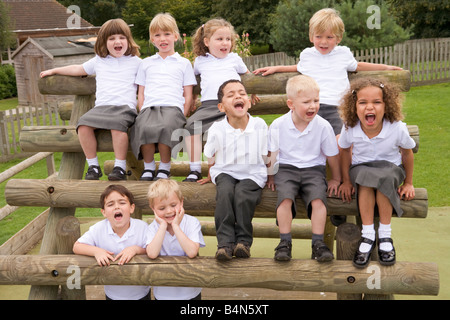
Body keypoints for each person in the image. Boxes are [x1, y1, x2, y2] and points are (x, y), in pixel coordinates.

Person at [254, 7, 402, 226]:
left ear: (338, 38)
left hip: (335, 108)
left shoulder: (343, 54)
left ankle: (340, 189)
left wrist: (386, 67)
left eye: (329, 37)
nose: (323, 41)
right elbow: (299, 67)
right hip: (310, 107)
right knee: (296, 139)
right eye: (318, 36)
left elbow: (358, 66)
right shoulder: (307, 54)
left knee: (338, 144)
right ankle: (289, 201)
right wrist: (276, 68)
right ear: (311, 36)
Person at [40, 19, 142, 181]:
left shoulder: (136, 63)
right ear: (103, 42)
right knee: (83, 126)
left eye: (122, 37)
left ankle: (119, 166)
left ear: (128, 41)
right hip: (101, 108)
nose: (117, 42)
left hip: (124, 108)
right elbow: (78, 69)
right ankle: (93, 166)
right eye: (111, 38)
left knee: (118, 128)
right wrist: (54, 70)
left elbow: (152, 77)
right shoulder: (99, 61)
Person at [338, 77, 415, 268]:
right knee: (365, 180)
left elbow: (407, 154)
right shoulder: (350, 127)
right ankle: (368, 235)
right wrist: (346, 181)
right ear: (354, 106)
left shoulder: (397, 128)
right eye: (363, 102)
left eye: (376, 102)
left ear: (386, 105)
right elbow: (345, 151)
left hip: (390, 169)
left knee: (384, 179)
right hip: (361, 169)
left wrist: (409, 183)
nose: (369, 107)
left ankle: (385, 236)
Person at [267, 75, 341, 262]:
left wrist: (336, 179)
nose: (312, 106)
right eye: (306, 102)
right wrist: (270, 176)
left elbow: (332, 156)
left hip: (313, 169)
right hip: (286, 169)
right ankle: (284, 242)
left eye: (316, 101)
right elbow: (272, 154)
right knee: (285, 200)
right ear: (291, 104)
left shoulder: (323, 126)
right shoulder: (278, 125)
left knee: (318, 201)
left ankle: (318, 242)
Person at [183, 18, 259, 183]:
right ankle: (194, 170)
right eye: (220, 39)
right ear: (207, 41)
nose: (225, 43)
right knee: (191, 126)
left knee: (222, 133)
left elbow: (248, 75)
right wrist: (193, 99)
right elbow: (194, 82)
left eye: (228, 39)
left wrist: (252, 92)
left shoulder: (234, 59)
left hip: (230, 106)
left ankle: (226, 170)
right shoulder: (200, 61)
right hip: (208, 106)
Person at [199, 79, 268, 260]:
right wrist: (210, 173)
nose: (238, 96)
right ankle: (225, 243)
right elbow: (210, 153)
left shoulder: (259, 125)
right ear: (222, 107)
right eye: (231, 95)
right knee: (225, 192)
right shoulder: (217, 128)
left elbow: (268, 152)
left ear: (249, 102)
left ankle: (243, 242)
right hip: (225, 171)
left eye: (242, 93)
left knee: (243, 194)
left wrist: (272, 175)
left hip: (253, 173)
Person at [129, 13, 197, 181]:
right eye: (157, 35)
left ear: (175, 36)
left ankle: (165, 167)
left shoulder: (183, 63)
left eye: (167, 34)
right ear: (152, 39)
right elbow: (141, 92)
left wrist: (184, 112)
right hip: (150, 106)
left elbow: (188, 93)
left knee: (166, 128)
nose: (162, 39)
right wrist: (142, 108)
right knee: (143, 127)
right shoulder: (146, 63)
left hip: (173, 107)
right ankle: (149, 166)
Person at [73, 185, 150, 300]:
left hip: (141, 294)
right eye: (110, 204)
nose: (116, 207)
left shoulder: (142, 227)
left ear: (131, 208)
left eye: (122, 203)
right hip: (112, 295)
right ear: (104, 212)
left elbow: (151, 250)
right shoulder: (98, 229)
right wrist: (96, 251)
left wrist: (136, 249)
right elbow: (77, 246)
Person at [146, 179, 205, 300]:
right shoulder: (153, 227)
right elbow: (152, 253)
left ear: (181, 202)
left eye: (173, 205)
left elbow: (192, 251)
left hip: (190, 292)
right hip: (163, 293)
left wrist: (175, 226)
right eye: (161, 208)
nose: (169, 211)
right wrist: (162, 226)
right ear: (153, 209)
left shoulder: (192, 222)